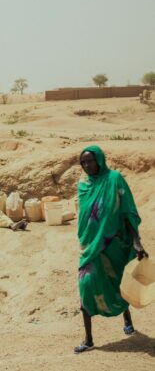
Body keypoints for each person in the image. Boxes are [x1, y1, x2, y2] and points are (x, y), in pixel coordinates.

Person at [74, 145, 148, 354]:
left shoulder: (115, 179)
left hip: (115, 243)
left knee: (117, 281)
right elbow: (83, 217)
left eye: (90, 161)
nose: (87, 165)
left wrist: (136, 242)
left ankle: (127, 318)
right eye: (83, 162)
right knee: (86, 285)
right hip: (90, 246)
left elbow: (127, 212)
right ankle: (88, 339)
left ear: (99, 159)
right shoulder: (83, 184)